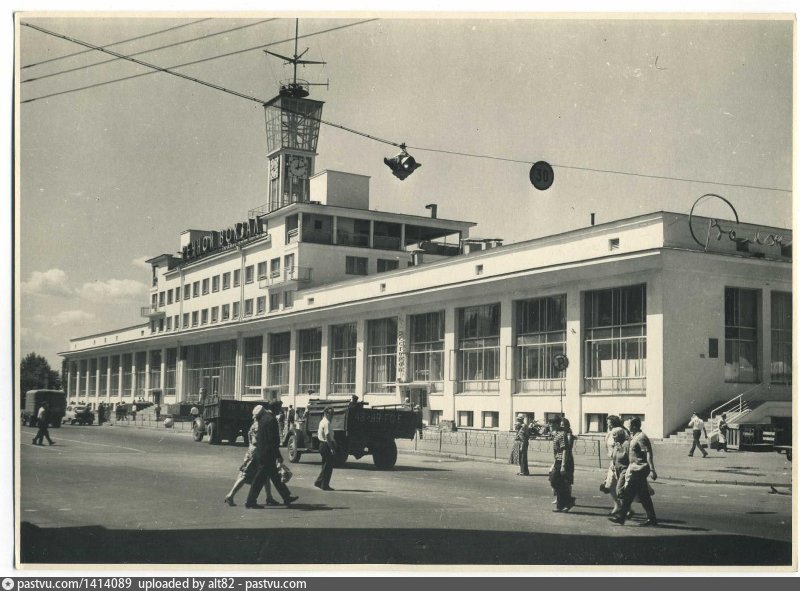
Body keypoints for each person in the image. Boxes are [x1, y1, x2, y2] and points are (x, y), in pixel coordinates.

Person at [245, 401, 297, 508]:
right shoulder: (272, 420)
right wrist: (278, 455)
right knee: (259, 479)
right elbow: (272, 441)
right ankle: (250, 501)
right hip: (267, 454)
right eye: (279, 408)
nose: (280, 410)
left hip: (262, 452)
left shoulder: (263, 418)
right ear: (275, 408)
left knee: (275, 476)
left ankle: (286, 496)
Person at [224, 406, 279, 507]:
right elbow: (258, 440)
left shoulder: (255, 424)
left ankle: (269, 497)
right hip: (255, 452)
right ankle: (230, 495)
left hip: (252, 450)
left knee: (264, 474)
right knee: (246, 475)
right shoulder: (259, 425)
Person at [609, 417, 658, 527]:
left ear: (634, 426)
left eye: (629, 425)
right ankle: (652, 519)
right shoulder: (634, 436)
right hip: (635, 468)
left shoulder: (641, 437)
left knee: (629, 493)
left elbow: (648, 453)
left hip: (640, 469)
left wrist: (652, 469)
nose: (628, 426)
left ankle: (621, 517)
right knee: (643, 496)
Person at [549, 417, 575, 512]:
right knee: (556, 482)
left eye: (551, 424)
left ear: (556, 424)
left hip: (563, 461)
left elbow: (564, 450)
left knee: (557, 481)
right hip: (557, 460)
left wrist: (563, 465)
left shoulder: (562, 435)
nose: (550, 426)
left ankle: (567, 502)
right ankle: (562, 504)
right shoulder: (556, 434)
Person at [314, 407, 336, 491]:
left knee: (325, 465)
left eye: (333, 413)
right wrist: (331, 448)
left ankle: (322, 484)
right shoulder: (326, 423)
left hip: (323, 445)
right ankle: (321, 483)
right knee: (328, 466)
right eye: (331, 413)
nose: (332, 415)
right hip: (326, 445)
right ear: (326, 413)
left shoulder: (322, 421)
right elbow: (327, 436)